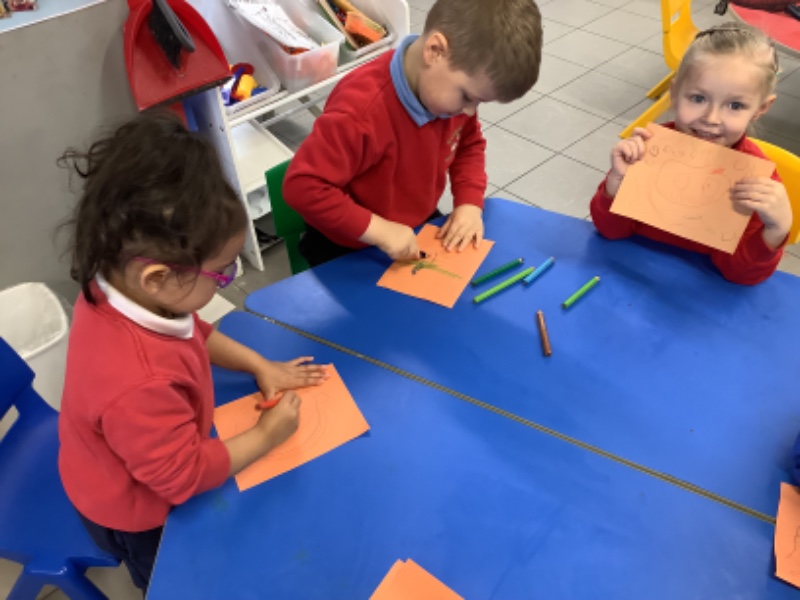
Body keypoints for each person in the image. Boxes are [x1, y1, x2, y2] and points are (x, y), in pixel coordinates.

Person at [56, 113, 328, 593]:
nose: (227, 281)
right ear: (156, 277)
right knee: (177, 582)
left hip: (129, 455)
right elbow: (182, 478)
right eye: (222, 273)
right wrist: (267, 435)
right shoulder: (138, 383)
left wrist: (260, 365)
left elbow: (193, 332)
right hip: (133, 511)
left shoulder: (118, 287)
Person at [283, 0, 543, 267]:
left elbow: (468, 144)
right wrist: (381, 231)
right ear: (435, 51)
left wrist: (469, 203)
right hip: (346, 242)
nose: (469, 111)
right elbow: (302, 187)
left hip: (412, 224)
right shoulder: (360, 111)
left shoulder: (451, 102)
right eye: (468, 97)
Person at [590, 22, 791, 285]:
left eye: (735, 105)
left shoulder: (755, 181)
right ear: (675, 93)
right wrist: (615, 186)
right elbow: (610, 232)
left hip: (697, 289)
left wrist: (775, 231)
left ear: (760, 109)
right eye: (698, 98)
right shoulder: (647, 150)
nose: (711, 118)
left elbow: (738, 275)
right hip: (626, 274)